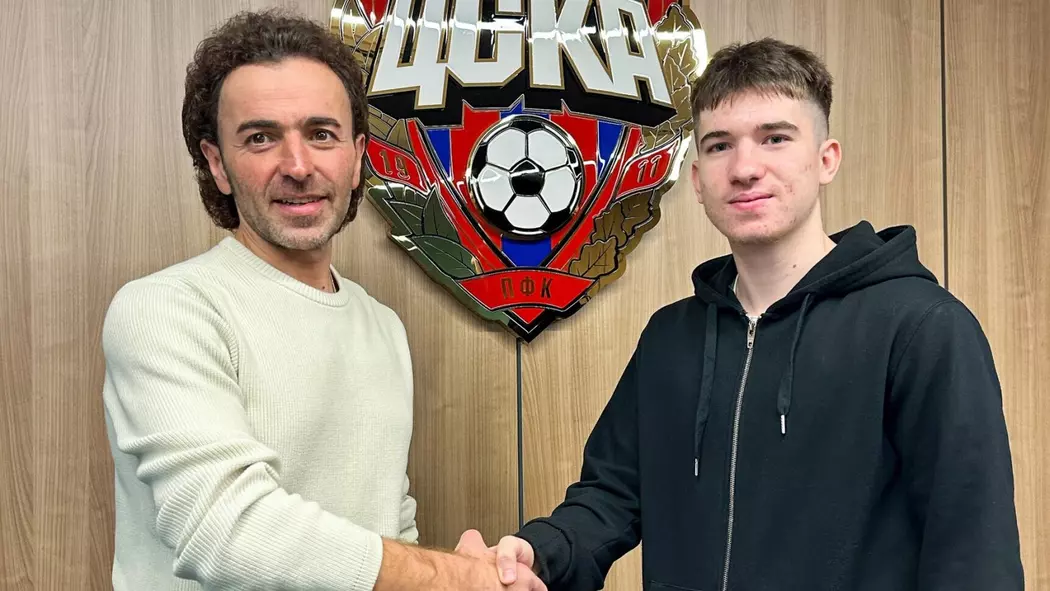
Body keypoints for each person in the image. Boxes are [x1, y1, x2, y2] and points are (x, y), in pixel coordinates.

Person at [476, 37, 1025, 591]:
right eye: (719, 146)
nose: (744, 168)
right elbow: (612, 494)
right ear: (697, 180)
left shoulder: (923, 327)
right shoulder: (670, 337)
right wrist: (539, 553)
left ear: (826, 159)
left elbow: (974, 554)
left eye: (775, 138)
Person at [101, 9, 544, 591]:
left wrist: (469, 575)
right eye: (261, 138)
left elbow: (388, 530)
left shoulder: (381, 326)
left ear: (356, 157)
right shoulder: (164, 310)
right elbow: (226, 530)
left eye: (321, 134)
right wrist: (454, 577)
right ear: (217, 164)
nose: (298, 166)